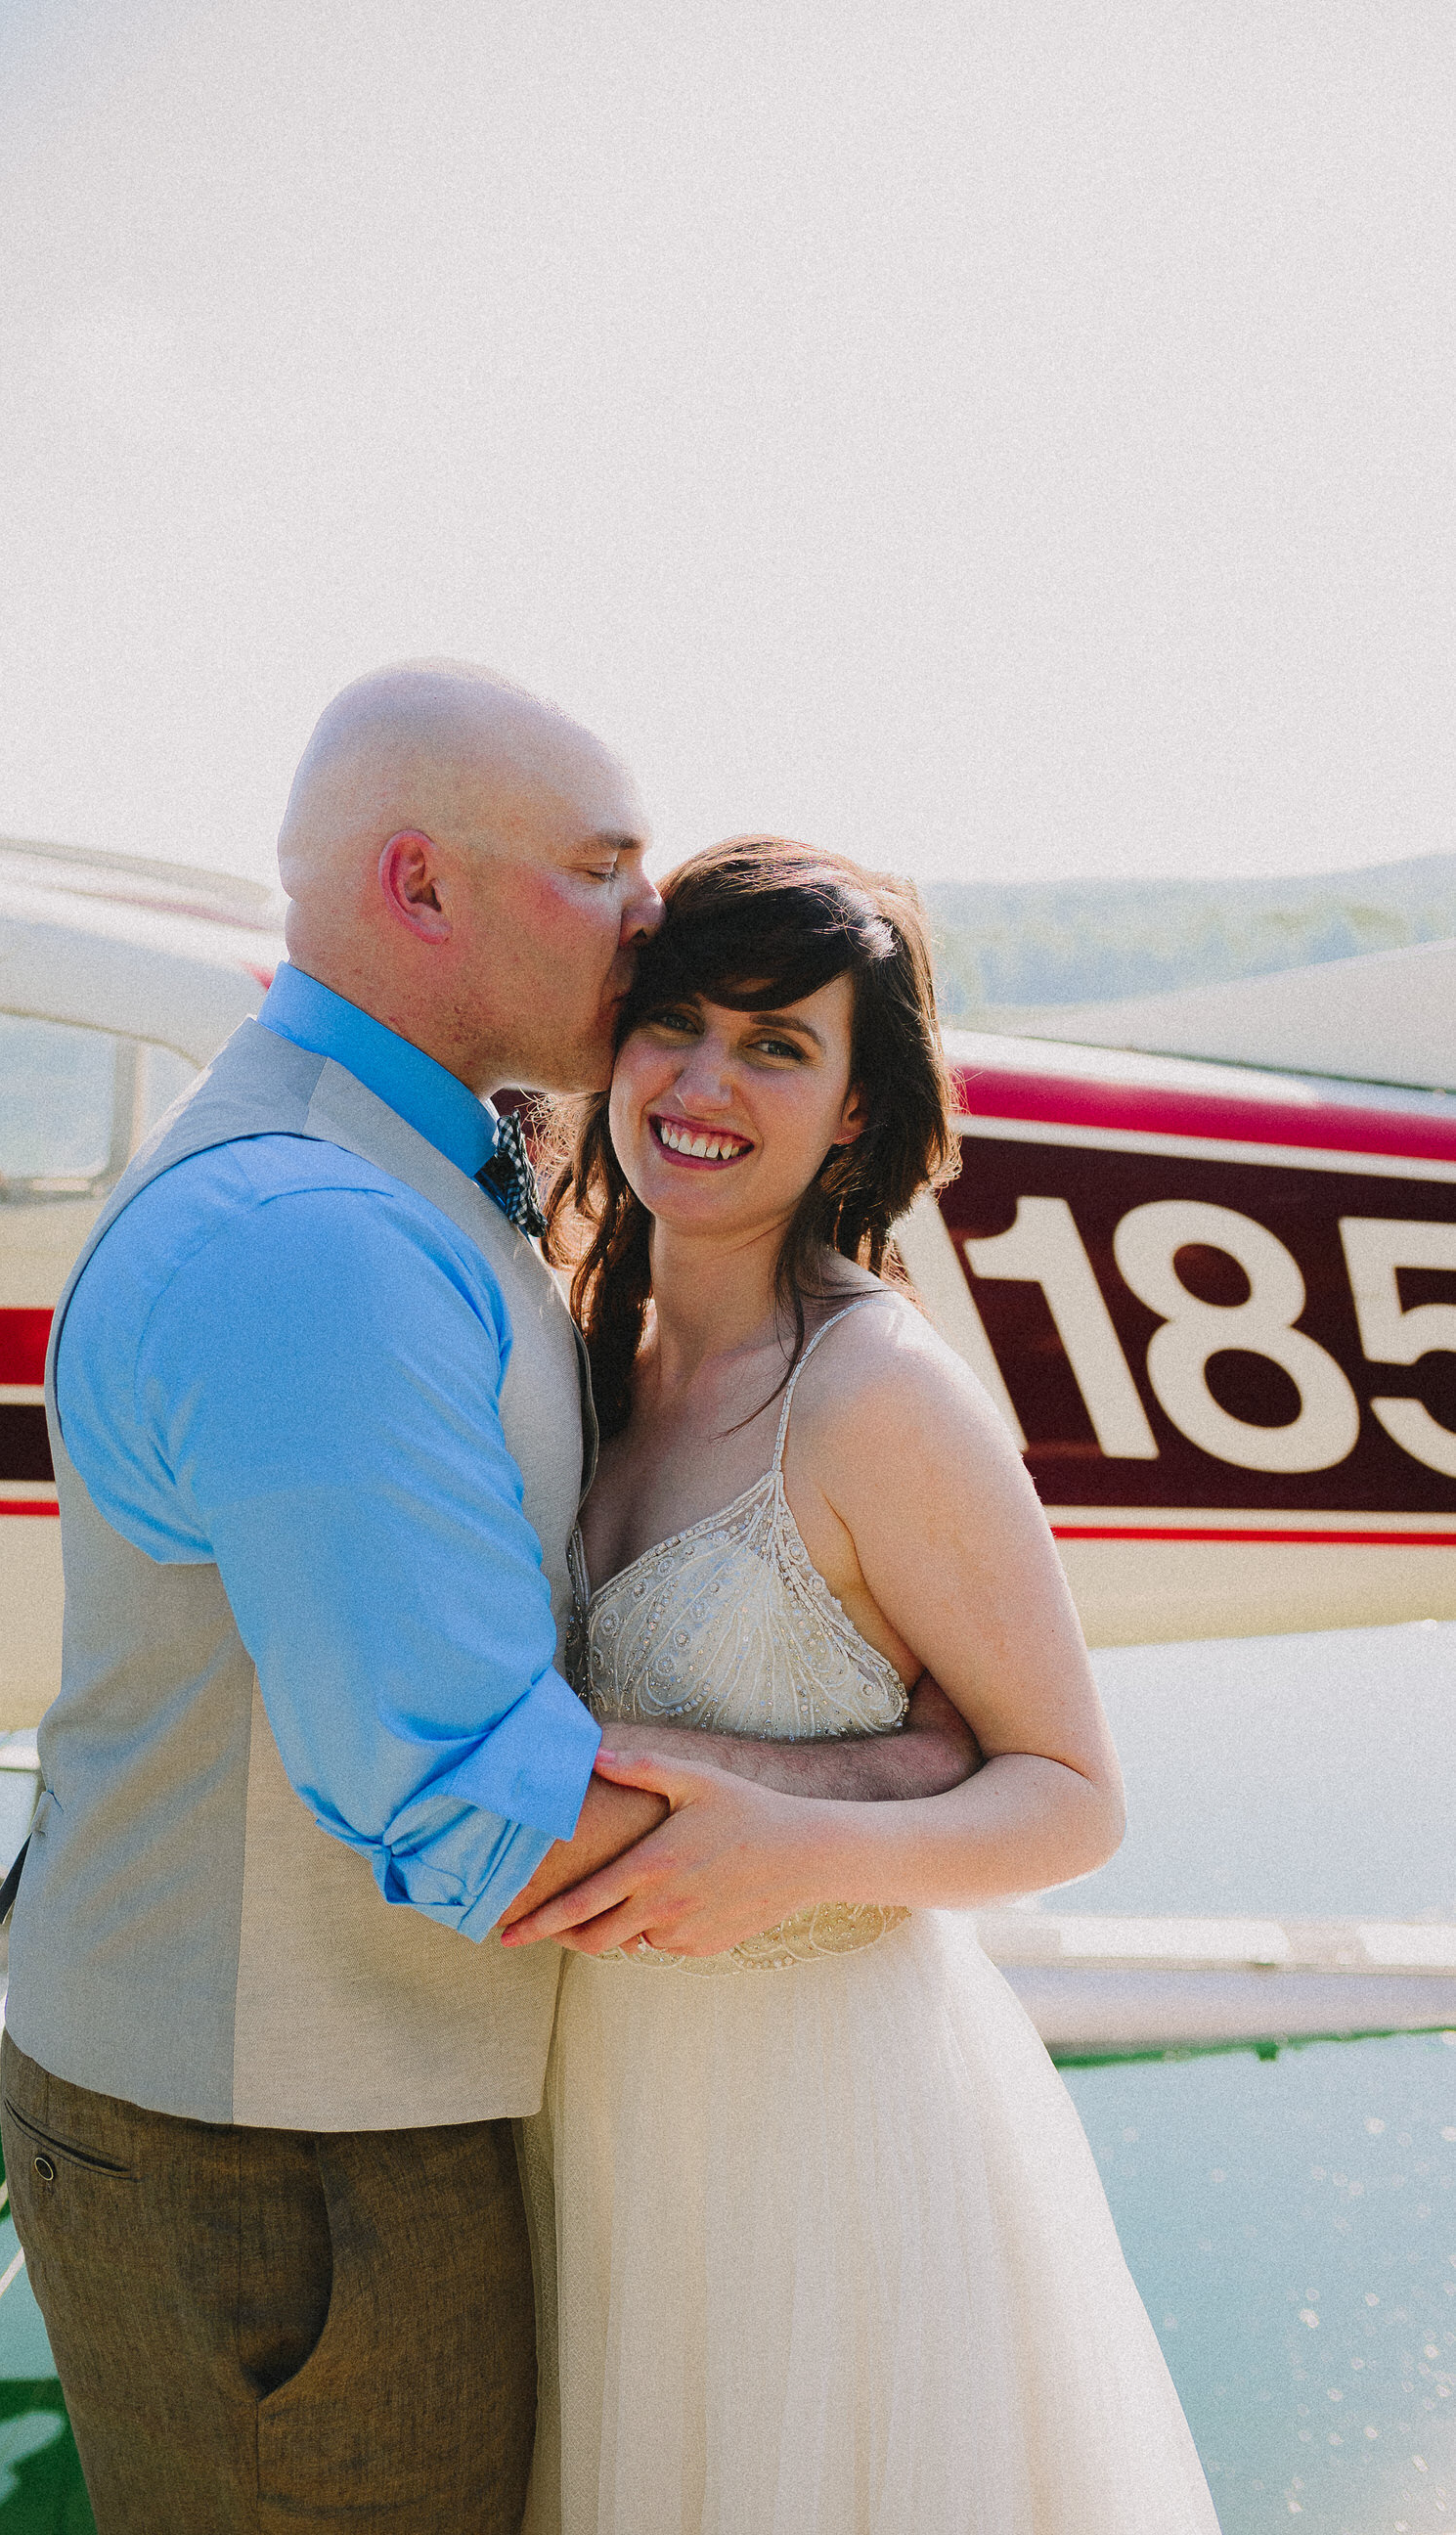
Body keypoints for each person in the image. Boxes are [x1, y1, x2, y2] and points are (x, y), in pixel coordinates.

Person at [0, 666, 981, 2534]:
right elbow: (483, 1818)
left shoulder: (393, 1159)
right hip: (285, 2164)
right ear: (419, 888)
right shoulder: (321, 1244)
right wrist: (907, 1776)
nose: (651, 913)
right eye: (603, 869)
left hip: (325, 2120)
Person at [506, 837, 1223, 2535]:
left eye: (777, 1045)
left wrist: (797, 1847)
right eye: (675, 1023)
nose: (703, 1082)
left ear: (850, 1112)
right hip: (608, 2112)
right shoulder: (586, 1345)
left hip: (822, 2139)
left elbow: (1072, 1793)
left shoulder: (872, 1393)